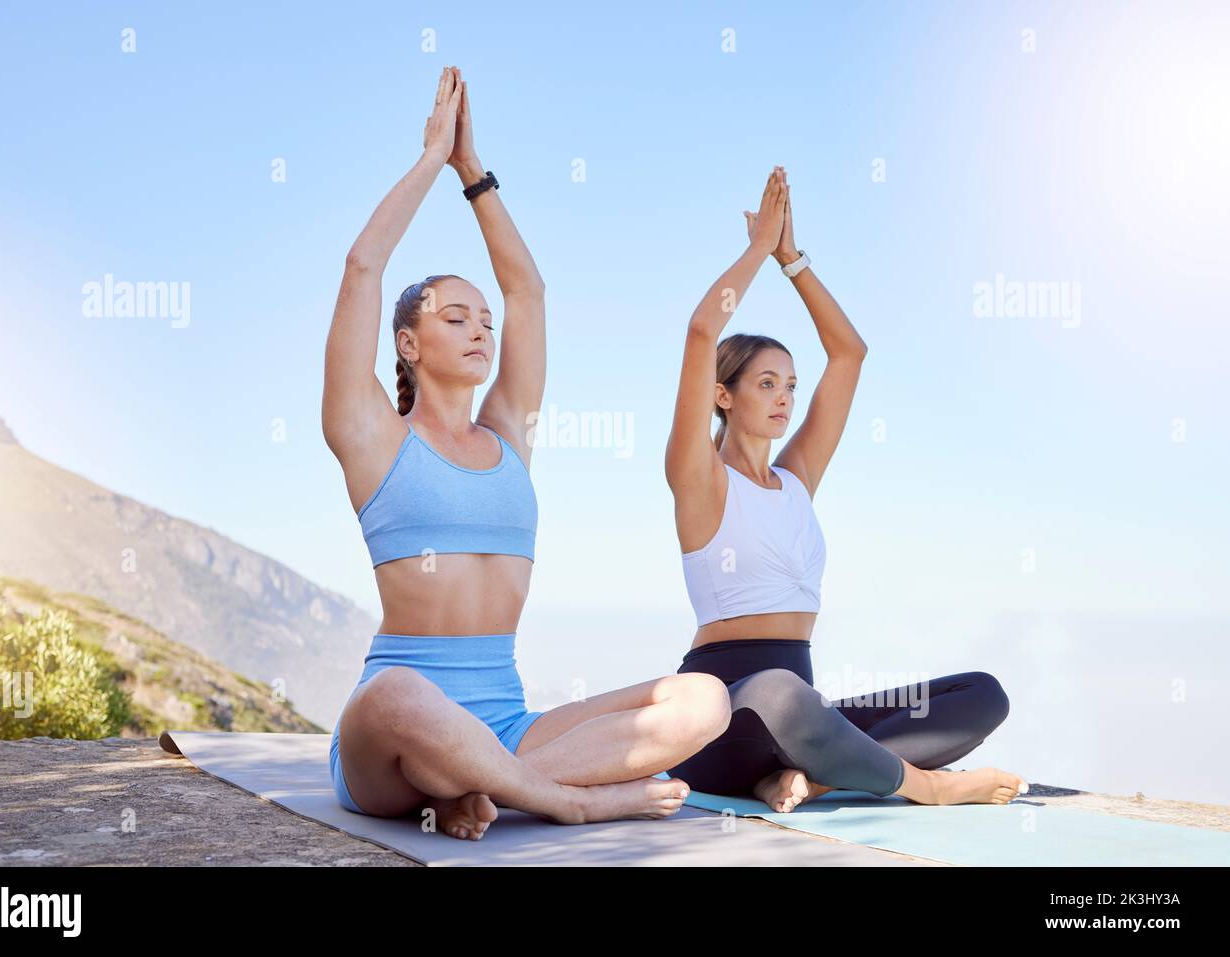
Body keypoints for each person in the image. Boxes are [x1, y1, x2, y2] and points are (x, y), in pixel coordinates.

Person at [322, 67, 731, 840]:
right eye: (455, 318)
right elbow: (362, 269)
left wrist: (474, 174)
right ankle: (567, 798)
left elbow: (529, 293)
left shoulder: (508, 435)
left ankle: (486, 785)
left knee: (704, 698)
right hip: (395, 741)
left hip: (510, 724)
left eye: (483, 319)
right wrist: (432, 157)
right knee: (395, 696)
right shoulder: (372, 436)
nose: (481, 329)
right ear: (407, 344)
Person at [662, 166, 1028, 811]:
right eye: (766, 383)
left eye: (791, 386)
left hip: (804, 717)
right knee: (781, 692)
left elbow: (849, 353)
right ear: (724, 395)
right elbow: (700, 333)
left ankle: (817, 776)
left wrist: (791, 259)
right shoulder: (700, 480)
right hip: (727, 718)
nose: (784, 398)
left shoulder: (795, 479)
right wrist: (755, 250)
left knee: (981, 692)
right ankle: (930, 789)